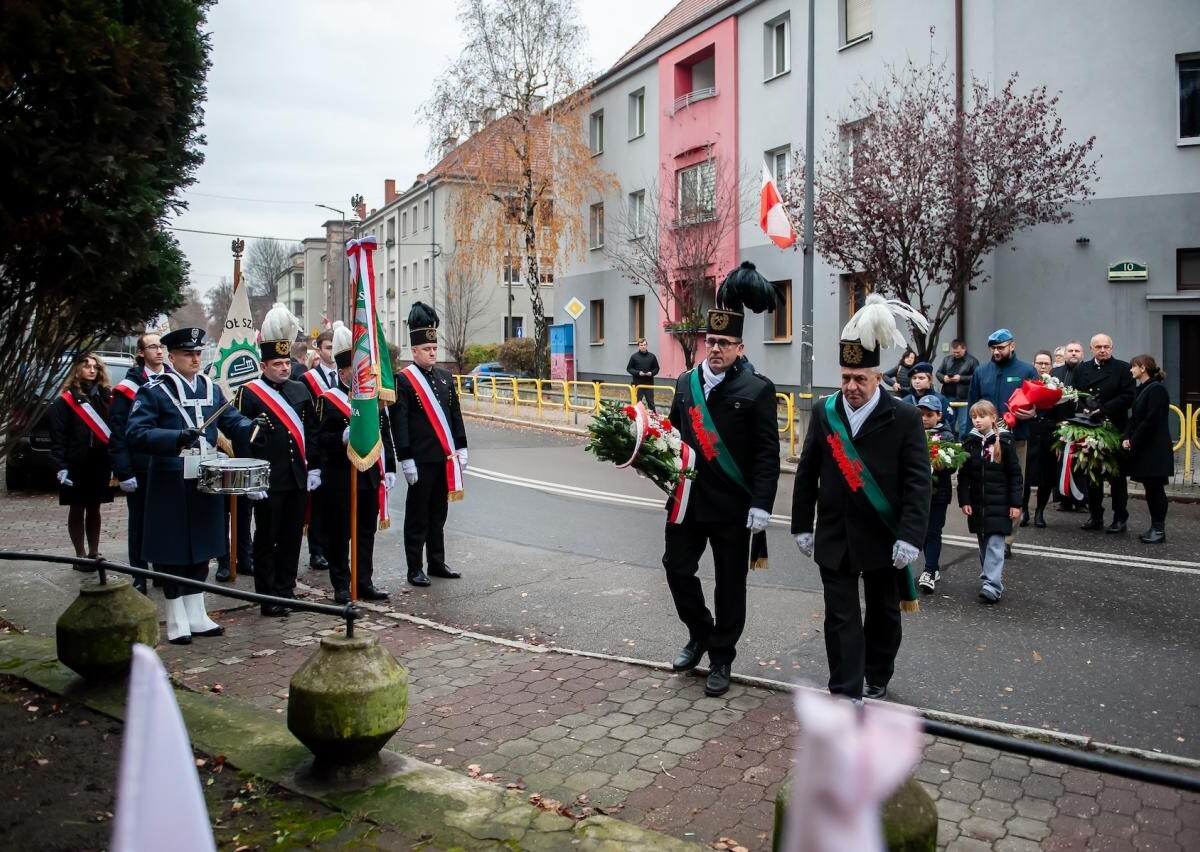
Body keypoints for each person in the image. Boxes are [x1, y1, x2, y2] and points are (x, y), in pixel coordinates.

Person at [793, 294, 930, 702]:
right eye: (846, 377)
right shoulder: (824, 412)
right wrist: (802, 525)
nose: (851, 387)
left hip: (883, 535)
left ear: (878, 377)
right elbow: (807, 472)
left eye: (860, 379)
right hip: (835, 535)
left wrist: (910, 535)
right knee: (840, 617)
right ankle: (846, 690)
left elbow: (918, 482)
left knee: (884, 613)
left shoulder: (904, 417)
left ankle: (878, 670)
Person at [664, 261, 780, 698]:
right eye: (711, 341)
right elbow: (673, 438)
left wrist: (762, 505)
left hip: (733, 506)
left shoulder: (757, 390)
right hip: (688, 500)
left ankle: (722, 656)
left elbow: (768, 453)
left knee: (731, 584)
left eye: (725, 343)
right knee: (676, 569)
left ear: (739, 347)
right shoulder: (684, 383)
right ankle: (701, 632)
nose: (715, 349)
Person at [126, 327, 262, 645]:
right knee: (173, 552)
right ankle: (176, 619)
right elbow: (135, 432)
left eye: (198, 353)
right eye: (188, 354)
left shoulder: (210, 388)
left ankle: (197, 613)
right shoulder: (154, 391)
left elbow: (230, 418)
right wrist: (173, 438)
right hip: (169, 483)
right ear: (171, 357)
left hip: (205, 480)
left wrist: (251, 428)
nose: (195, 359)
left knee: (202, 548)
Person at [233, 306, 322, 615]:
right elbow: (240, 439)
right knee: (267, 539)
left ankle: (286, 590)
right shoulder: (250, 393)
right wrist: (250, 479)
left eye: (287, 362)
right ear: (264, 364)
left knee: (291, 538)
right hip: (268, 480)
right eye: (277, 364)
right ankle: (267, 596)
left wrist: (315, 466)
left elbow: (311, 431)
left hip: (297, 477)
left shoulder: (300, 389)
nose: (285, 368)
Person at [392, 301, 468, 588]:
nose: (432, 353)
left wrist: (461, 447)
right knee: (417, 516)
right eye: (427, 349)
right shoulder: (405, 381)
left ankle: (437, 561)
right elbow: (400, 422)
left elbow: (455, 415)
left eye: (435, 349)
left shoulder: (446, 378)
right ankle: (415, 568)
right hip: (421, 459)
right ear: (414, 351)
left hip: (444, 457)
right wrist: (406, 458)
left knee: (439, 513)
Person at [317, 324, 395, 602]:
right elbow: (320, 438)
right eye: (355, 370)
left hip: (368, 476)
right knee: (340, 534)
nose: (362, 374)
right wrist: (342, 436)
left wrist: (392, 468)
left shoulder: (371, 399)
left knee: (365, 532)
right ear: (342, 373)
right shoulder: (327, 400)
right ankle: (341, 583)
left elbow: (385, 433)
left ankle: (364, 581)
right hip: (340, 478)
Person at [966, 328, 1037, 555]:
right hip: (985, 439)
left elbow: (1037, 400)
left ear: (1012, 346)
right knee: (988, 484)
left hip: (1016, 438)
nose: (996, 352)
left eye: (1001, 348)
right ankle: (988, 531)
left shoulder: (1026, 369)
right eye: (993, 348)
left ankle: (1007, 539)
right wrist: (970, 434)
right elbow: (973, 404)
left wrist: (1034, 411)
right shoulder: (981, 371)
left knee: (1014, 483)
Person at [108, 333, 169, 593]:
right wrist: (124, 470)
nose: (159, 351)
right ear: (141, 353)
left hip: (167, 463)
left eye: (161, 346)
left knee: (166, 520)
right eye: (153, 346)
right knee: (140, 522)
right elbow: (119, 430)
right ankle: (139, 572)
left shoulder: (172, 380)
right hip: (141, 464)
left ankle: (164, 570)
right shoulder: (129, 386)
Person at [48, 352, 114, 565]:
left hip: (99, 460)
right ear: (76, 369)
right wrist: (60, 465)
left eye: (95, 366)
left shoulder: (105, 397)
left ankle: (94, 552)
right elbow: (58, 437)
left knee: (95, 507)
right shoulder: (64, 402)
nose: (92, 370)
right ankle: (80, 555)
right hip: (76, 462)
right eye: (86, 366)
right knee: (77, 507)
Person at [958, 400, 1023, 604]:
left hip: (1000, 503)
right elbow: (964, 475)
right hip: (978, 503)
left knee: (995, 543)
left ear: (993, 418)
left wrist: (1015, 503)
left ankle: (992, 586)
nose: (977, 421)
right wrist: (964, 500)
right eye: (974, 417)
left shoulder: (1005, 442)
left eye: (982, 416)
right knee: (983, 543)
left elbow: (1015, 475)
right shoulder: (970, 442)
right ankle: (989, 578)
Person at [1074, 333, 1135, 533]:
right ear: (1091, 349)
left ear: (1112, 347)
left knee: (1117, 477)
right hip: (1090, 427)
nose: (1102, 350)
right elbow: (1075, 392)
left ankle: (1120, 517)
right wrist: (1083, 407)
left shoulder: (1123, 368)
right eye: (1098, 347)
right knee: (1092, 475)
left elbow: (1128, 396)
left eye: (1106, 346)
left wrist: (1104, 409)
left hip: (1115, 427)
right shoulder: (1082, 368)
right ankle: (1095, 515)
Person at [297, 326, 342, 573]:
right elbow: (307, 420)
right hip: (317, 448)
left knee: (335, 505)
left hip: (338, 450)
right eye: (328, 347)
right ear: (319, 348)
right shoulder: (308, 379)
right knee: (319, 505)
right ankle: (317, 551)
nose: (332, 352)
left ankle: (332, 548)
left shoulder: (345, 376)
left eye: (336, 347)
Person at [1123, 355, 1173, 544]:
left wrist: (1133, 440)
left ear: (1143, 368)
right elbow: (1135, 418)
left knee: (1155, 489)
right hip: (1146, 448)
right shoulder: (1143, 389)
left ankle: (1159, 529)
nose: (1131, 370)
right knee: (1151, 489)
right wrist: (1127, 436)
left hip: (1155, 449)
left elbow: (1150, 421)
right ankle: (1155, 527)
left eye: (1133, 367)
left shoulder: (1157, 390)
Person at [917, 396, 955, 594]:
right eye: (921, 414)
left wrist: (941, 466)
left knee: (933, 531)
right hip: (915, 492)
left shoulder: (946, 436)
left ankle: (930, 570)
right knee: (919, 531)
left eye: (929, 415)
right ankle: (933, 567)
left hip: (938, 493)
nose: (924, 418)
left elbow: (952, 465)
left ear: (939, 415)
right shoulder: (912, 432)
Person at [1021, 350, 1058, 529]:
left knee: (1046, 477)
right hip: (1029, 433)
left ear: (1051, 366)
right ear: (1034, 364)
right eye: (1039, 363)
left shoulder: (1057, 385)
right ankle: (1023, 511)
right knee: (1025, 475)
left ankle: (1040, 512)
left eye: (1046, 363)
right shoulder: (1027, 383)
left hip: (1048, 435)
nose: (1042, 366)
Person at [1050, 340, 1086, 512]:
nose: (1073, 353)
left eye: (1077, 351)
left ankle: (1081, 500)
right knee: (1060, 462)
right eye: (1070, 350)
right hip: (1059, 423)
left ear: (1082, 354)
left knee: (1080, 462)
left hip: (1083, 424)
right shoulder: (1055, 372)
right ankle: (1063, 499)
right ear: (1064, 354)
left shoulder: (1088, 371)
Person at [935, 339, 979, 434]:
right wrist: (944, 378)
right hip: (948, 396)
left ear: (964, 349)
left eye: (958, 352)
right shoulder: (947, 359)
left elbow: (976, 377)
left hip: (964, 398)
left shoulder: (972, 361)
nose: (956, 354)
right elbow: (938, 373)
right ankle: (949, 444)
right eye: (954, 352)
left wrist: (961, 378)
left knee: (963, 424)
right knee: (949, 422)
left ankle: (963, 444)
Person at [902, 362, 953, 431]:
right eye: (914, 378)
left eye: (921, 378)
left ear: (930, 380)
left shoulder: (941, 399)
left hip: (936, 439)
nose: (917, 381)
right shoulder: (906, 401)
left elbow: (949, 423)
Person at [625, 338, 661, 412]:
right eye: (641, 345)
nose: (643, 346)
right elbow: (629, 368)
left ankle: (653, 420)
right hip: (638, 384)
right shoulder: (634, 357)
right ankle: (637, 419)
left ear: (647, 345)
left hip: (649, 384)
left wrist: (651, 373)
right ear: (638, 346)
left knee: (651, 403)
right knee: (637, 403)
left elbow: (657, 368)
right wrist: (638, 373)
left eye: (644, 345)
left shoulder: (652, 356)